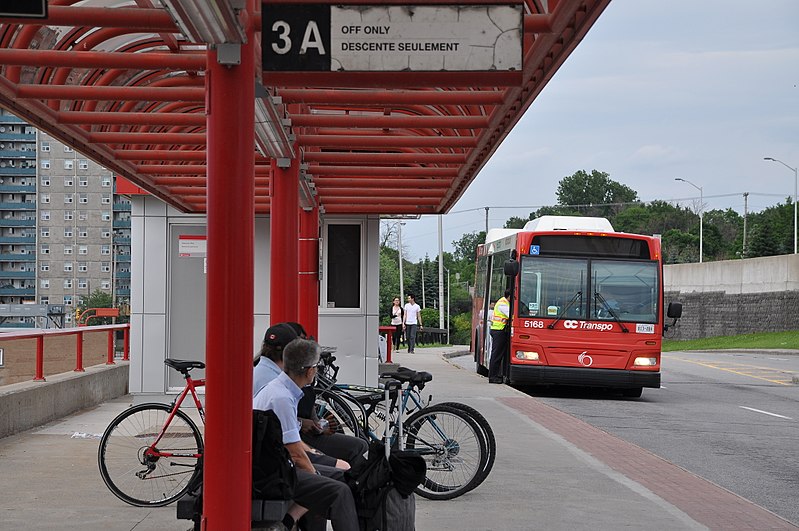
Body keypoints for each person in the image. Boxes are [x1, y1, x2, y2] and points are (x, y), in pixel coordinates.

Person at [254, 338, 359, 531]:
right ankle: (288, 522)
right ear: (310, 371)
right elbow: (295, 454)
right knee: (340, 491)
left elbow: (292, 443)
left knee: (343, 476)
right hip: (271, 473)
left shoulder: (280, 389)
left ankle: (289, 522)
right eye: (316, 366)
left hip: (271, 463)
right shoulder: (282, 398)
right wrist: (317, 476)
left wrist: (318, 460)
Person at [254, 322, 367, 471]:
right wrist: (315, 468)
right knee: (350, 460)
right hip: (281, 451)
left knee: (349, 457)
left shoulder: (269, 373)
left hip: (288, 442)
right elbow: (293, 448)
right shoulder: (276, 386)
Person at [488, 289, 511, 384]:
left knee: (499, 354)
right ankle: (492, 377)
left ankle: (496, 375)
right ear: (509, 296)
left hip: (500, 330)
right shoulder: (503, 304)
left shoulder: (504, 302)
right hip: (498, 330)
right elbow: (511, 315)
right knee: (496, 354)